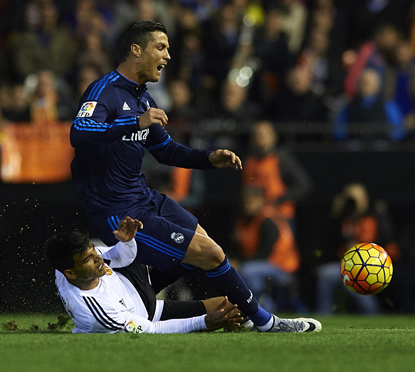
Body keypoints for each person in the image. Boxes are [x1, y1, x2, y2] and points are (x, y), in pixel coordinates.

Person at [70, 21, 320, 333]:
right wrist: (135, 122)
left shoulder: (144, 99)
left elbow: (166, 151)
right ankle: (267, 323)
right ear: (136, 50)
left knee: (206, 246)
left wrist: (208, 159)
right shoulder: (104, 90)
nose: (168, 56)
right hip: (118, 211)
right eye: (161, 47)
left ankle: (136, 295)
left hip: (146, 198)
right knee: (212, 254)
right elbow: (79, 132)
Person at [45, 216, 243, 334]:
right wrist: (205, 321)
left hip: (134, 278)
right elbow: (151, 330)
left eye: (92, 251)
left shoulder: (68, 265)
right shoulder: (99, 314)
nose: (97, 258)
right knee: (231, 308)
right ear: (70, 273)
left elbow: (121, 258)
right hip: (148, 311)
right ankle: (256, 318)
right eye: (88, 258)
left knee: (201, 250)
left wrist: (127, 242)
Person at [316, 182, 399, 315]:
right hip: (345, 264)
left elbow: (386, 242)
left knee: (354, 279)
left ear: (364, 198)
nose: (352, 202)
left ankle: (373, 315)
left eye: (355, 198)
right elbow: (326, 245)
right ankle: (323, 316)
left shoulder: (375, 216)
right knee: (326, 274)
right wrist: (335, 214)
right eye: (349, 198)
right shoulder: (342, 218)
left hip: (373, 265)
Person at [233, 185, 301, 312]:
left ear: (261, 201)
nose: (248, 204)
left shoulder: (268, 220)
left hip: (282, 266)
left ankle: (262, 309)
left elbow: (265, 253)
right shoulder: (245, 220)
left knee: (247, 271)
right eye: (246, 201)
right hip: (262, 264)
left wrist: (240, 263)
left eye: (252, 200)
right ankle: (258, 308)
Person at [241, 120, 312, 227]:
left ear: (274, 137)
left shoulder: (282, 159)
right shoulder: (248, 162)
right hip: (254, 218)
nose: (261, 138)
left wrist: (279, 199)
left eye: (264, 134)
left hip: (279, 217)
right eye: (257, 135)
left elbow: (304, 185)